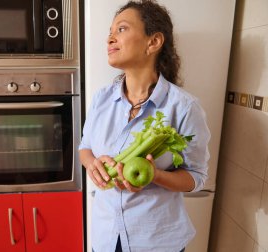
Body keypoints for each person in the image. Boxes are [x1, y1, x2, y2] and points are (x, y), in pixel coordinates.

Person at [79, 0, 211, 251]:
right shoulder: (101, 99)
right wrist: (92, 164)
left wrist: (156, 175)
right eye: (110, 32)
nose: (109, 39)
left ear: (154, 42)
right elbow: (85, 147)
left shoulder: (183, 107)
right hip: (105, 237)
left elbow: (196, 176)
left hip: (155, 242)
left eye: (122, 29)